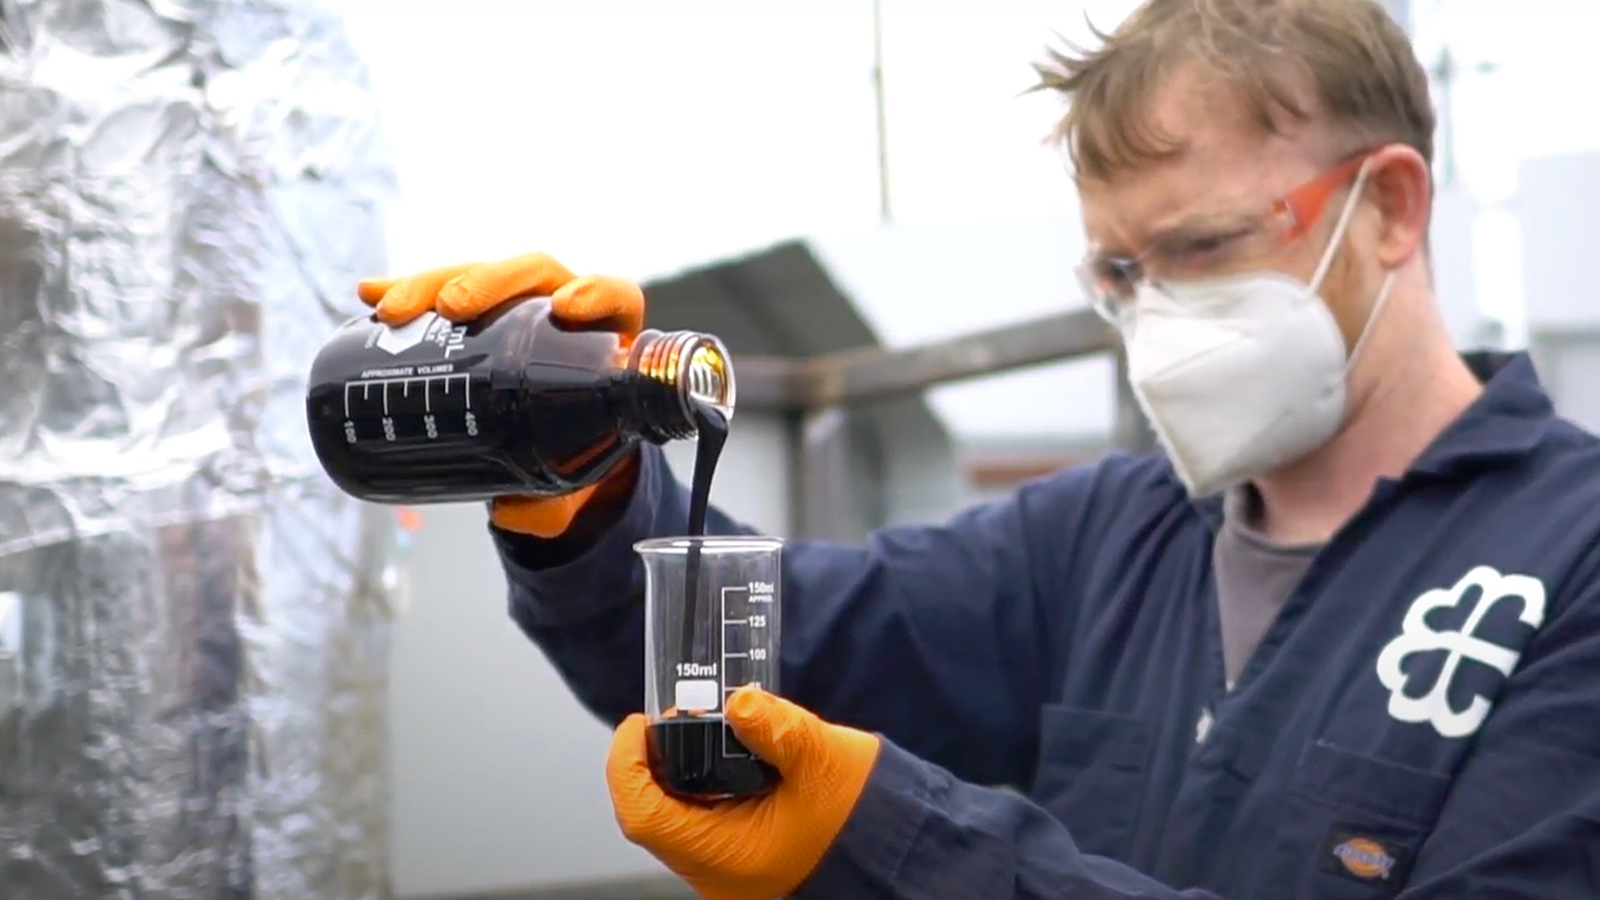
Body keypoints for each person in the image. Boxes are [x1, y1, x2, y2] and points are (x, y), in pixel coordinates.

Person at [357, 1, 1600, 897]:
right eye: (1119, 270)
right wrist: (585, 486)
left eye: (1203, 248)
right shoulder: (1109, 537)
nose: (1154, 312)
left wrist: (905, 846)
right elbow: (769, 653)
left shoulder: (1572, 562)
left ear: (1390, 206)